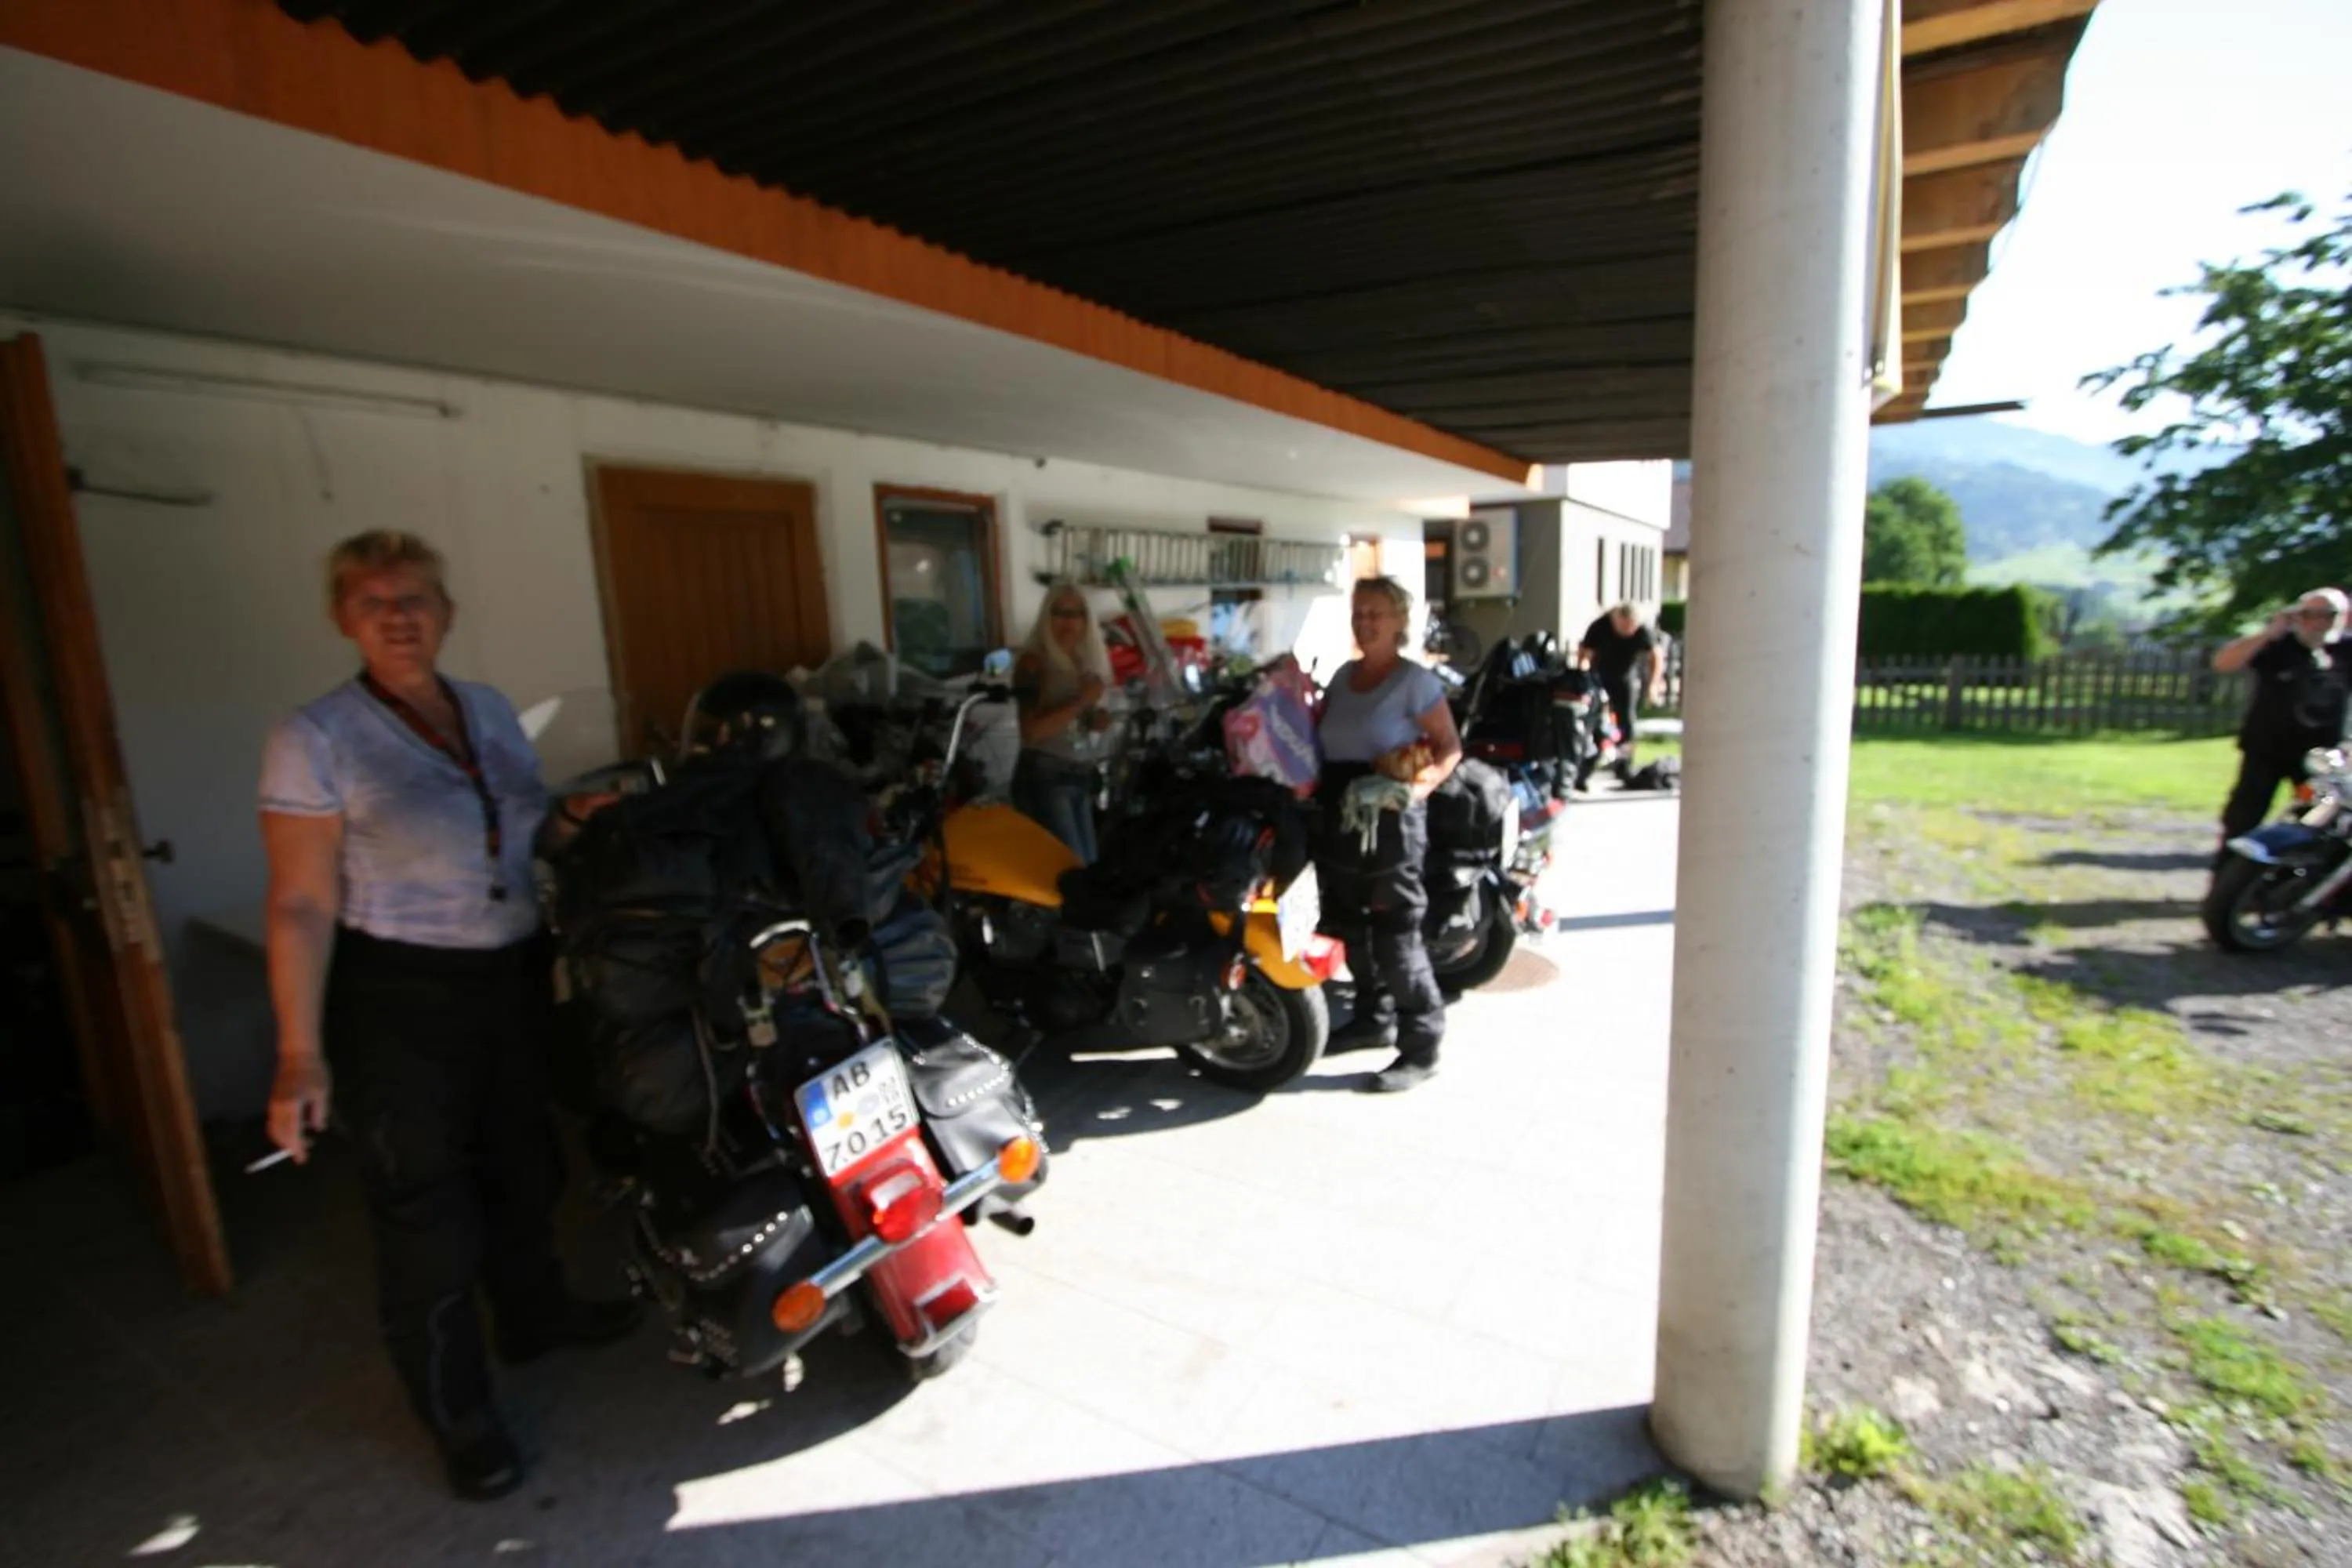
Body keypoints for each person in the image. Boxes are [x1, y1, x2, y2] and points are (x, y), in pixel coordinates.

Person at [260, 530, 638, 1502]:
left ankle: (534, 1311)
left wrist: (578, 821)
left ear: (447, 611)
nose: (398, 615)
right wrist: (300, 1054)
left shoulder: (488, 710)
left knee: (525, 1164)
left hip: (511, 973)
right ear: (343, 618)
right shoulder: (316, 736)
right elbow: (300, 902)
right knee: (426, 1211)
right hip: (399, 995)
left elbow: (525, 828)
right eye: (374, 600)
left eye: (416, 596)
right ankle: (458, 1410)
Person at [1316, 575, 1463, 1094]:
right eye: (1359, 612)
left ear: (1399, 621)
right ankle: (1371, 1020)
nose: (1365, 621)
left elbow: (1449, 746)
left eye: (1376, 613)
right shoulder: (1341, 676)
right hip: (1343, 817)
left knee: (1395, 932)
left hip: (1392, 821)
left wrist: (1419, 789)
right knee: (1350, 925)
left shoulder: (1413, 682)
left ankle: (1422, 1046)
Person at [2210, 586, 2350, 850]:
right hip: (2267, 749)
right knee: (2243, 819)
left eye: (2328, 614)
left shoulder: (2345, 650)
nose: (2318, 622)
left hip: (2321, 758)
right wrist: (2268, 633)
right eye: (2310, 614)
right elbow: (2224, 663)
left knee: (2315, 823)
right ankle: (2229, 881)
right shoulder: (2277, 647)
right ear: (2297, 616)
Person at [1012, 583, 1113, 862]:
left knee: (1088, 866)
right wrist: (1082, 700)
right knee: (1071, 869)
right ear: (1047, 616)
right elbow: (1031, 732)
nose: (1068, 622)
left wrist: (1095, 719)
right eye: (1060, 612)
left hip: (1078, 773)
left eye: (1076, 614)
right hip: (1046, 776)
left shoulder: (1080, 661)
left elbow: (1073, 719)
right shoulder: (1033, 663)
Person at [1577, 602, 1665, 778]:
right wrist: (1582, 677)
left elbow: (1656, 656)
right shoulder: (1600, 626)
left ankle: (1624, 765)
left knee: (1628, 721)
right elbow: (1584, 653)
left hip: (1626, 677)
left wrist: (1653, 684)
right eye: (1623, 627)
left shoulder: (1643, 631)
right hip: (1599, 677)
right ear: (1615, 620)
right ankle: (1587, 767)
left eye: (1631, 628)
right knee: (1594, 720)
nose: (1627, 631)